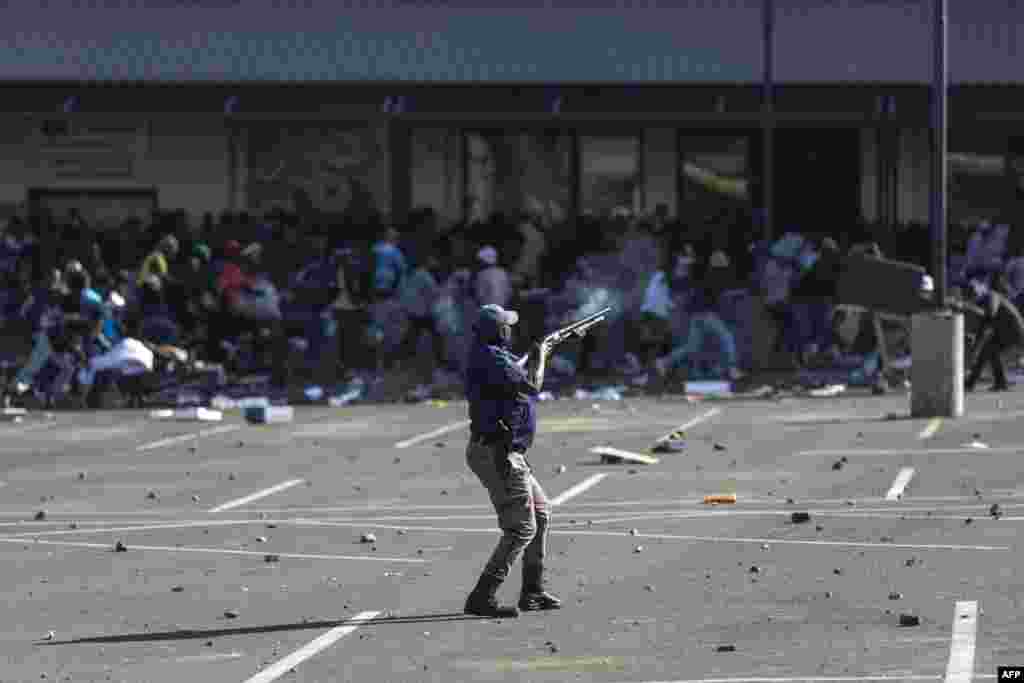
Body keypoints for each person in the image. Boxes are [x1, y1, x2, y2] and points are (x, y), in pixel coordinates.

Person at [463, 304, 561, 618]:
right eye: (507, 325)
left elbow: (517, 379)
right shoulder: (491, 357)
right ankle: (482, 596)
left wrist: (535, 355)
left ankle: (532, 590)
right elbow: (532, 385)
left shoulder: (492, 356)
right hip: (499, 453)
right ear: (498, 331)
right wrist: (542, 354)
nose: (511, 329)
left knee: (542, 514)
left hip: (505, 451)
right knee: (521, 529)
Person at [965, 276, 1024, 392]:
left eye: (972, 292)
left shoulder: (991, 295)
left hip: (1014, 330)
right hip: (1006, 331)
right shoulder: (984, 300)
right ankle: (975, 382)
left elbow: (991, 313)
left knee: (989, 349)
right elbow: (985, 324)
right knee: (988, 351)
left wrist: (975, 312)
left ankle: (976, 382)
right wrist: (976, 345)